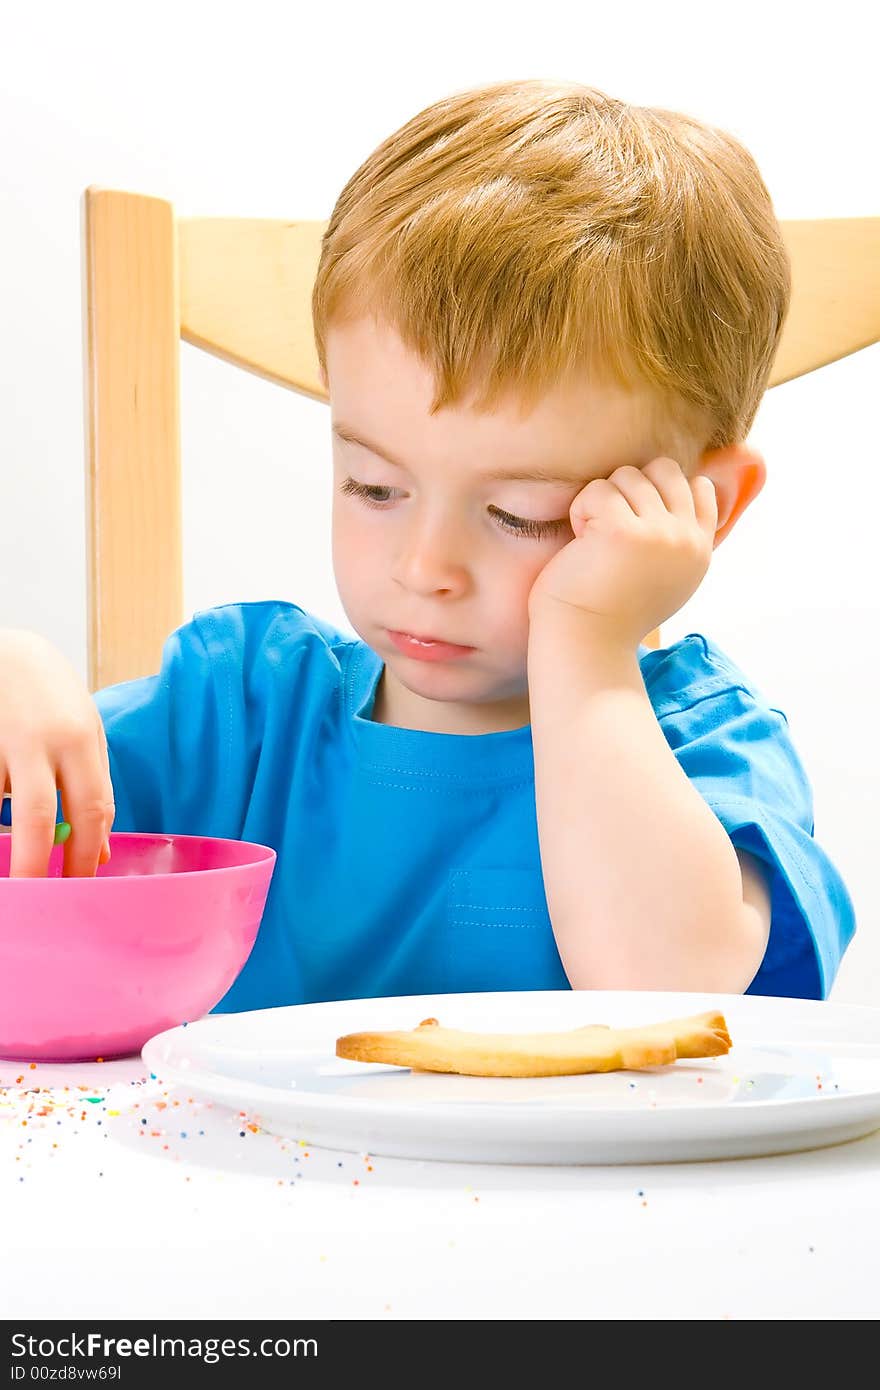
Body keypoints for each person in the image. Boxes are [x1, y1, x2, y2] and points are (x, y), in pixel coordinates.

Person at [0, 78, 855, 1009]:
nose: (423, 569)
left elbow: (670, 995)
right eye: (375, 487)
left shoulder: (711, 751)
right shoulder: (238, 715)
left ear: (705, 505)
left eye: (524, 514)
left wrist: (587, 640)